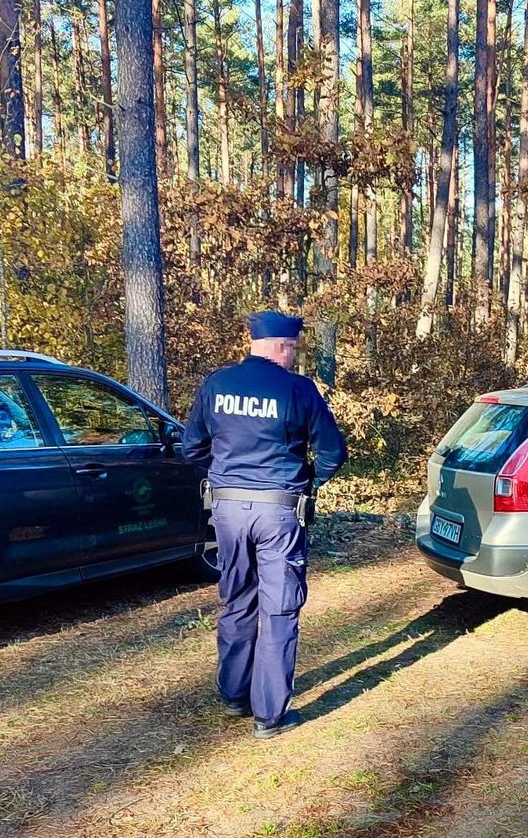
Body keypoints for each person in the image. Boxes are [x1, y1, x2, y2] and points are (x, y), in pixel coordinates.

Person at [183, 310, 347, 739]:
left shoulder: (217, 384)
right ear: (282, 346)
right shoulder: (298, 390)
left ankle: (234, 694)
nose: (296, 355)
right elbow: (332, 452)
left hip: (228, 510)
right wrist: (307, 481)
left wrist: (226, 475)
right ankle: (269, 715)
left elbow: (192, 447)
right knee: (279, 607)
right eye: (294, 348)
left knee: (236, 597)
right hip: (279, 510)